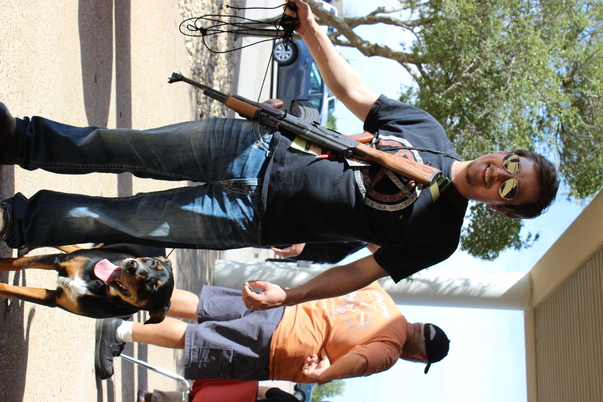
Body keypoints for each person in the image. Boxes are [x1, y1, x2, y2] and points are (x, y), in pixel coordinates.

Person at [0, 0, 558, 308]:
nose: (499, 175)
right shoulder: (427, 129)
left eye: (511, 188)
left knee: (123, 219)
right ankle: (20, 139)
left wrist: (289, 296)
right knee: (122, 144)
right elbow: (354, 92)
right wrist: (312, 31)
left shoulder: (440, 238)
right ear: (505, 152)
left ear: (502, 208)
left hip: (251, 217)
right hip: (255, 143)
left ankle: (17, 222)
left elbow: (359, 272)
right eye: (511, 164)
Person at [95, 283, 450, 384]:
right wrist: (323, 376)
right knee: (199, 340)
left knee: (204, 306)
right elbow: (359, 362)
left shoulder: (381, 295)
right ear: (419, 356)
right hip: (281, 346)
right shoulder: (390, 350)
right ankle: (121, 330)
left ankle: (122, 294)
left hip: (281, 307)